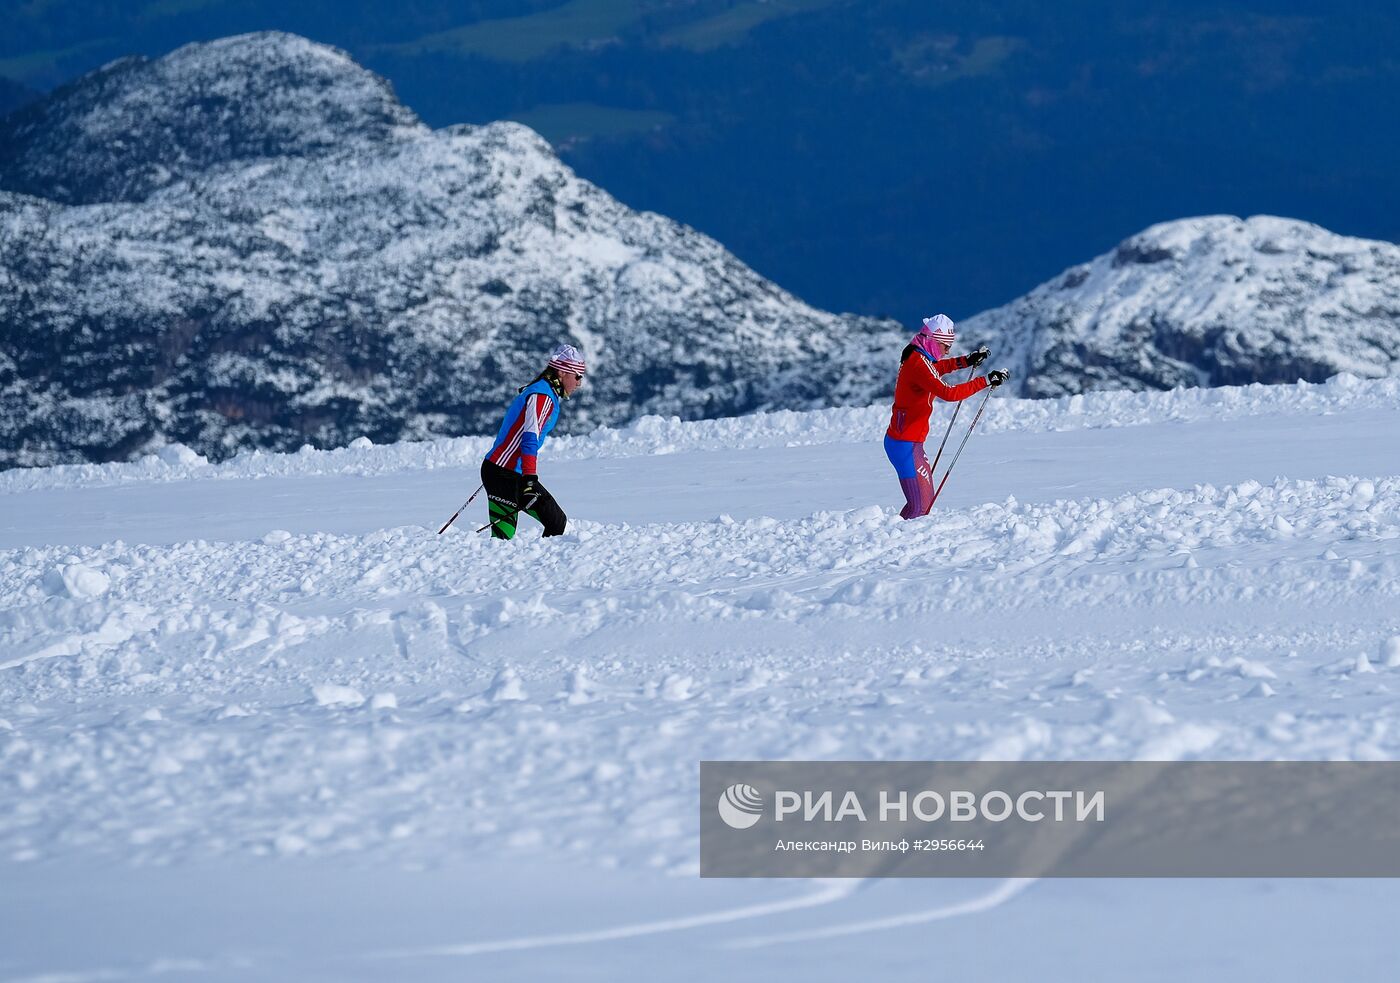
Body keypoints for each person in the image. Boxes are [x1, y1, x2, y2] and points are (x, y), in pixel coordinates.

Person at [884, 314, 1008, 520]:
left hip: (909, 442)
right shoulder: (918, 362)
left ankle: (896, 536)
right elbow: (949, 394)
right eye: (945, 346)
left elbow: (935, 370)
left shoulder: (919, 356)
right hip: (904, 444)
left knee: (922, 505)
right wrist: (985, 381)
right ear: (932, 341)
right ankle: (895, 543)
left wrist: (965, 361)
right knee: (920, 508)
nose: (948, 350)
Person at [481, 344, 586, 539]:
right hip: (506, 475)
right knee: (505, 539)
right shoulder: (542, 396)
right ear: (562, 373)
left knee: (555, 524)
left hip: (506, 472)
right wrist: (529, 479)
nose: (579, 383)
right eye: (578, 376)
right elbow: (529, 438)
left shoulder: (543, 391)